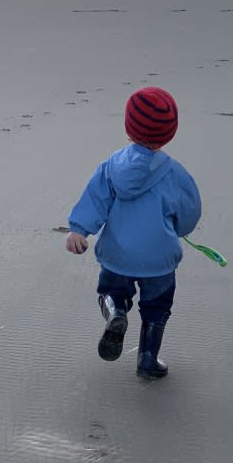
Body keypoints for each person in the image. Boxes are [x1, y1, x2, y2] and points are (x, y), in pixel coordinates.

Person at [66, 87, 201, 379]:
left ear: (128, 127)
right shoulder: (176, 173)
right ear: (170, 133)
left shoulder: (112, 166)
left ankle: (116, 312)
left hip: (118, 255)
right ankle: (148, 360)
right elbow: (189, 212)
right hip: (158, 257)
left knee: (111, 291)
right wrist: (178, 229)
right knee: (157, 307)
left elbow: (95, 199)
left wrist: (79, 230)